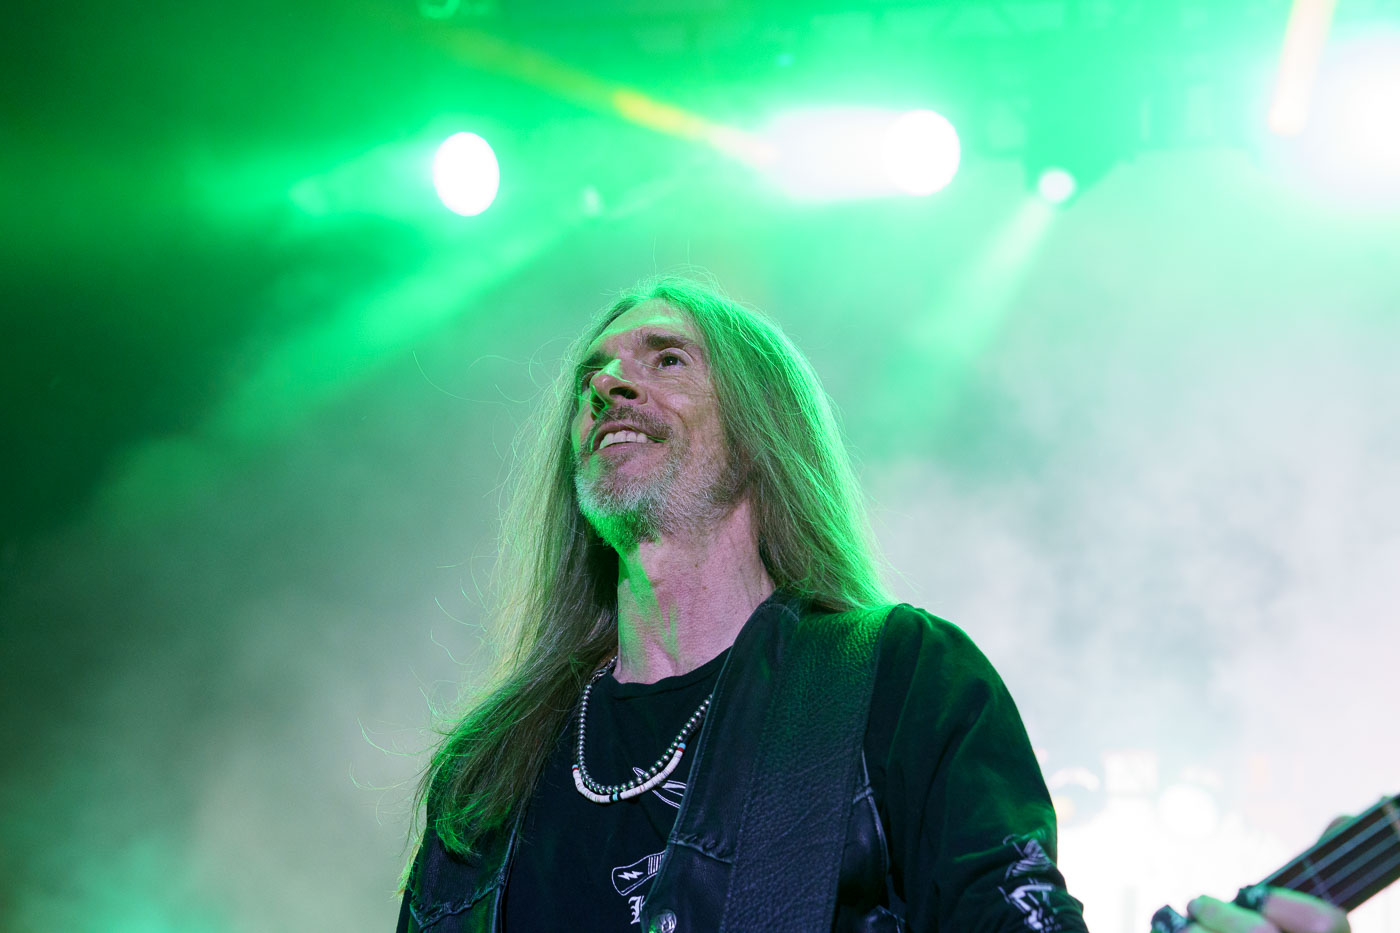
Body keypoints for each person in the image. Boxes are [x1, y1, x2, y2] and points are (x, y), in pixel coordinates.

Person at [396, 278, 1351, 933]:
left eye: (667, 360)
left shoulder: (894, 677)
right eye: (592, 376)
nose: (609, 383)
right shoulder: (491, 766)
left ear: (761, 429)